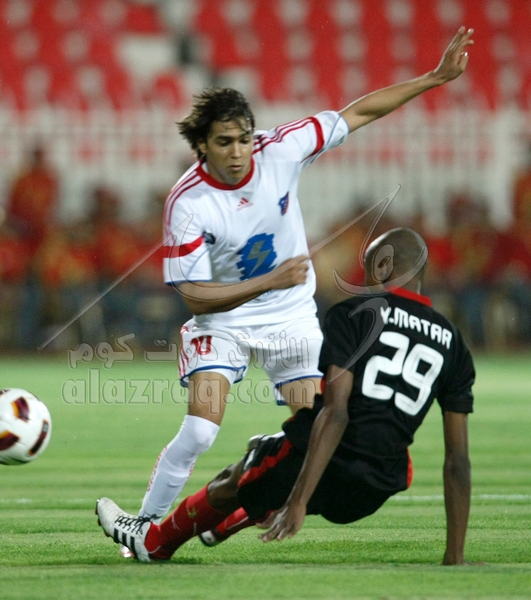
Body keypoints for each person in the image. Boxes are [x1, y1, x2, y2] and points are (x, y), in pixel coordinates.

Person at [128, 27, 474, 536]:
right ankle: (145, 524)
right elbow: (194, 296)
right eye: (224, 143)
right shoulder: (188, 202)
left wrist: (434, 78)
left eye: (244, 139)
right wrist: (271, 279)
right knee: (201, 430)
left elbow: (359, 113)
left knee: (317, 434)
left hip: (290, 317)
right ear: (201, 145)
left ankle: (232, 518)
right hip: (222, 319)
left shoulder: (283, 149)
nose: (238, 152)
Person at [96, 227, 475, 565]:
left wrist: (297, 501)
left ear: (383, 266)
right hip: (379, 484)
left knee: (244, 471)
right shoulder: (453, 342)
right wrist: (454, 557)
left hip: (331, 461)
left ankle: (153, 543)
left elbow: (336, 413)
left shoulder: (356, 313)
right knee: (288, 451)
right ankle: (228, 523)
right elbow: (458, 459)